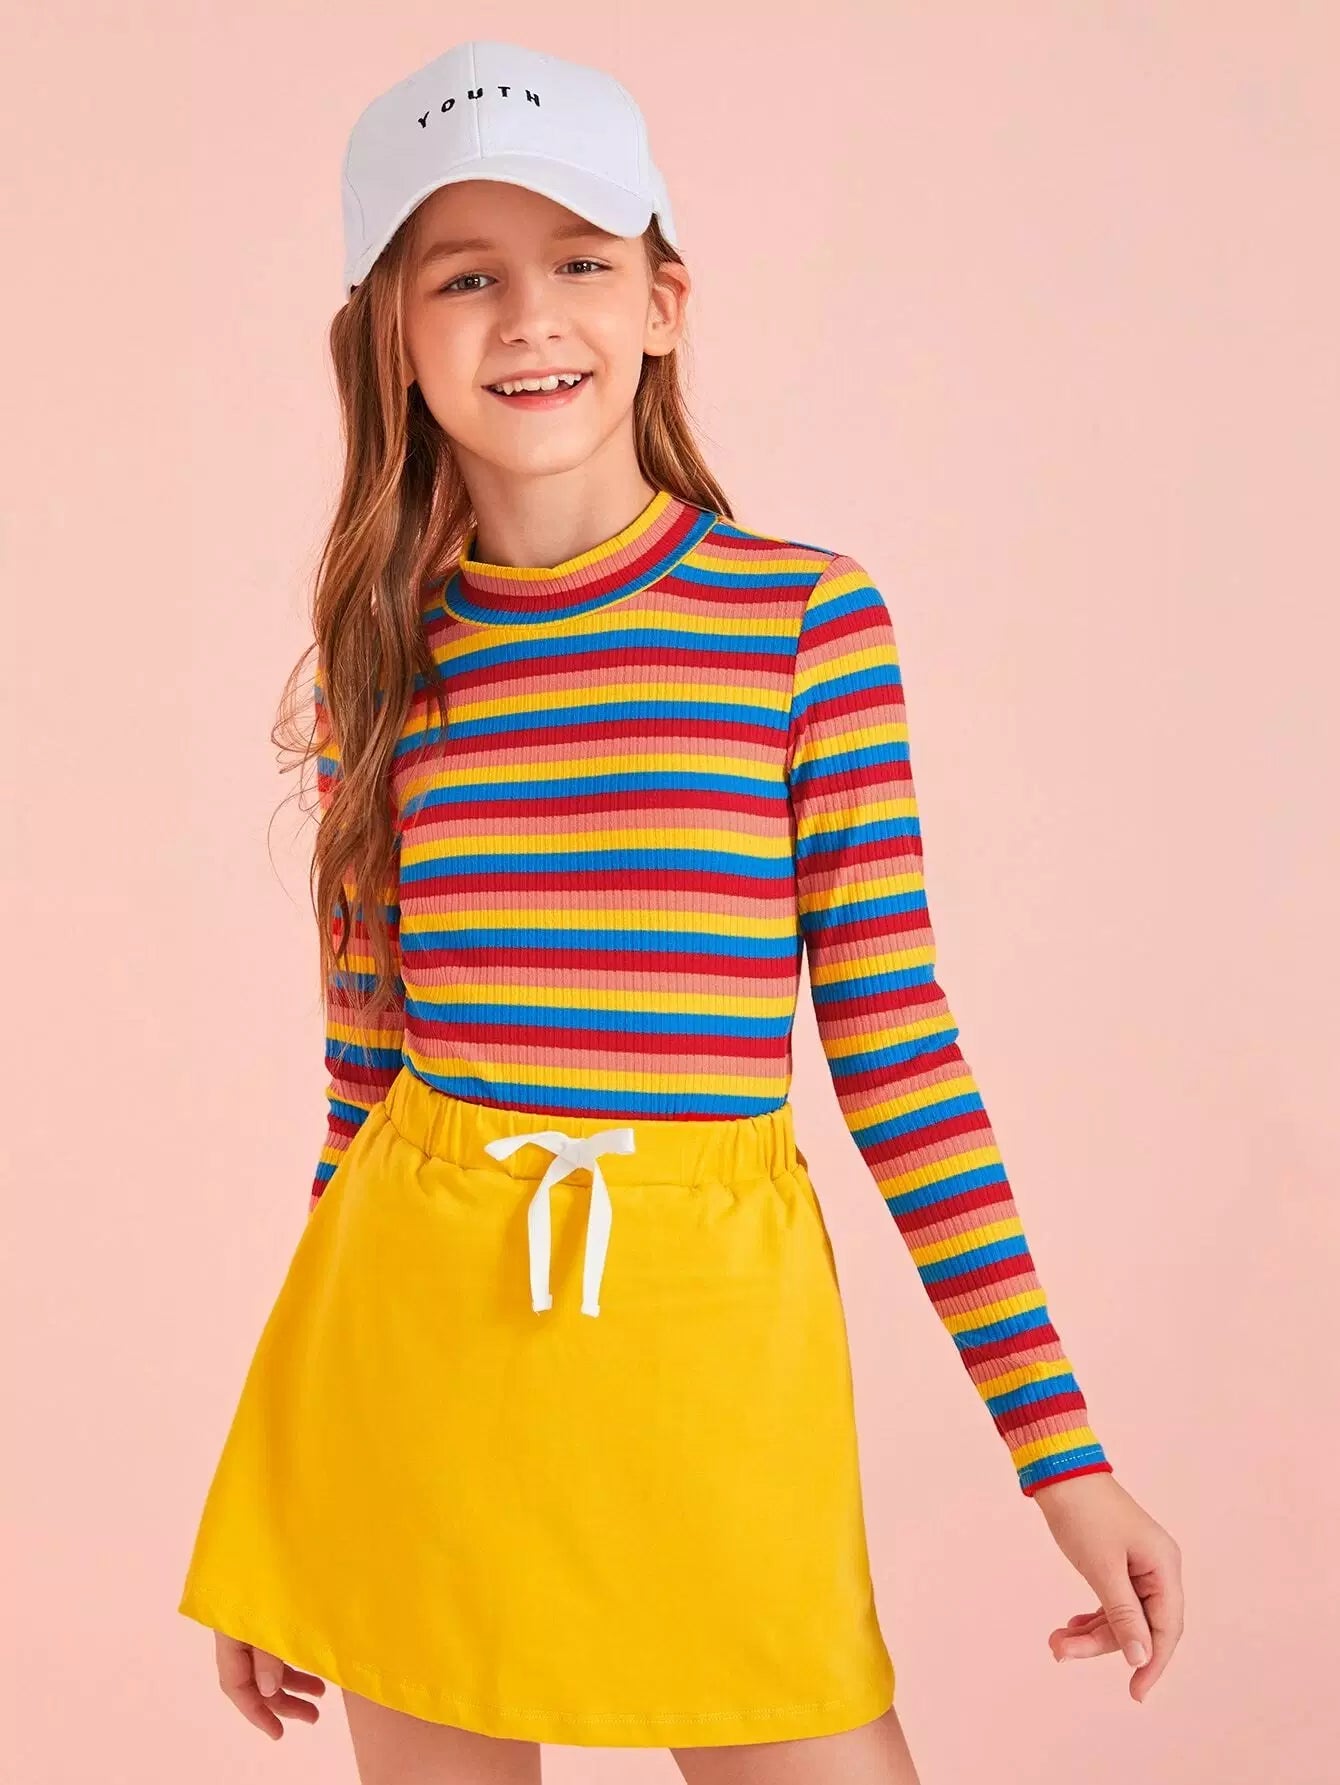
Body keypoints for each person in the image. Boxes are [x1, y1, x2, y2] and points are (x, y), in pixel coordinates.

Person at [176, 37, 1183, 1784]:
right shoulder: (374, 672)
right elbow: (360, 1097)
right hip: (411, 1365)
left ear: (661, 302)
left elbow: (899, 1056)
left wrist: (1062, 1455)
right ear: (390, 336)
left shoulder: (802, 626)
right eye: (464, 277)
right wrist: (281, 1509)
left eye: (580, 261)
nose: (529, 318)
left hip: (714, 1352)